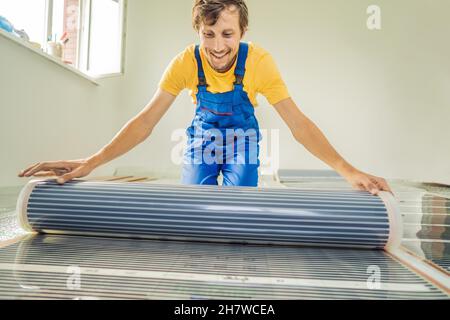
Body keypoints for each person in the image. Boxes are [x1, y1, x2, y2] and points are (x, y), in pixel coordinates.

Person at [18, 0, 391, 195]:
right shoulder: (184, 63)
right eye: (208, 34)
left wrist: (348, 170)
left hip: (243, 140)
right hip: (201, 139)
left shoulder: (259, 62)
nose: (217, 46)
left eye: (227, 34)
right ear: (198, 30)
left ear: (242, 31)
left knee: (240, 204)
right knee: (194, 202)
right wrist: (92, 161)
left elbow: (298, 122)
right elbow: (146, 121)